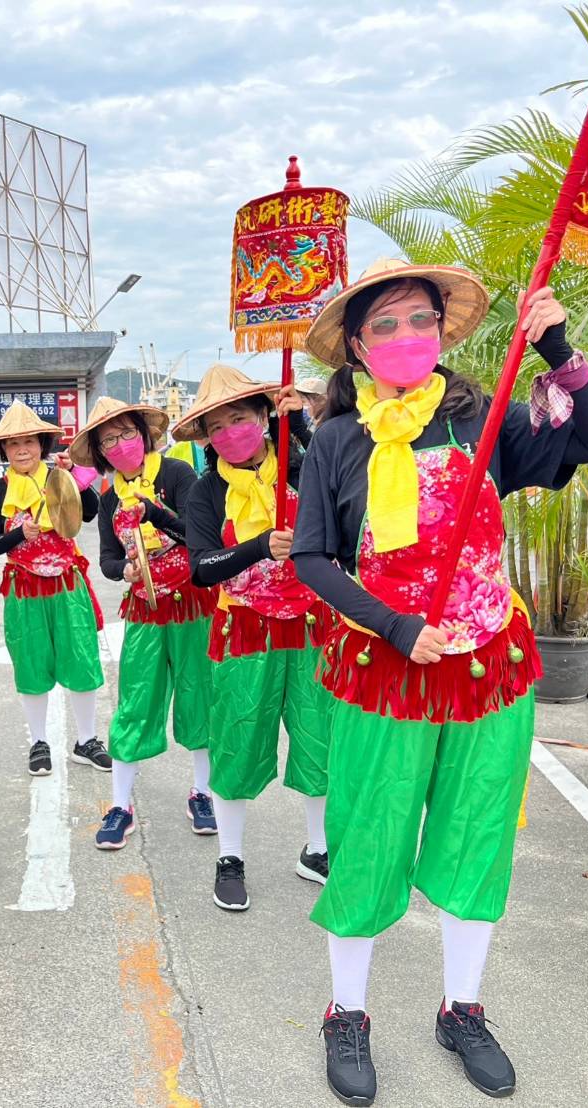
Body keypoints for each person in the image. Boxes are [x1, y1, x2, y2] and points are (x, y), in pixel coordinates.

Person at [291, 259, 588, 1105]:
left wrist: (552, 345)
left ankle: (461, 1008)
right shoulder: (336, 440)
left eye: (420, 319)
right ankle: (347, 1013)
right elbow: (311, 560)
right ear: (358, 350)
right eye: (386, 325)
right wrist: (400, 627)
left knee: (478, 835)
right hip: (386, 669)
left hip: (488, 668)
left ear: (443, 331)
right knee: (369, 837)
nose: (407, 336)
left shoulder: (482, 418)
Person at [177, 364, 334, 913]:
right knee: (238, 741)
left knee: (320, 738)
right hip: (244, 629)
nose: (229, 434)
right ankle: (231, 856)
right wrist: (258, 546)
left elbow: (337, 487)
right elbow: (201, 568)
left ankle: (317, 850)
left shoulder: (299, 465)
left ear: (265, 417)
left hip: (313, 624)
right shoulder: (205, 493)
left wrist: (306, 429)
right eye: (216, 427)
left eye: (239, 418)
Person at [71, 397, 218, 849]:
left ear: (145, 434)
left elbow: (197, 536)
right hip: (146, 611)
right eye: (108, 440)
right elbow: (108, 561)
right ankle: (120, 805)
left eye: (127, 434)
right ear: (99, 452)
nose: (120, 445)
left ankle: (203, 793)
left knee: (201, 697)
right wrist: (127, 572)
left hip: (194, 605)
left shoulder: (176, 474)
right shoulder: (109, 494)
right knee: (135, 701)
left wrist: (154, 515)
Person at [0, 401, 107, 776]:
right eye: (13, 444)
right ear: (3, 450)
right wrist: (17, 535)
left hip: (67, 583)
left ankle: (87, 739)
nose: (22, 450)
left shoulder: (56, 479)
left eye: (29, 442)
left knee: (81, 660)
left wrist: (76, 477)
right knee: (31, 664)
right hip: (24, 588)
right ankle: (38, 741)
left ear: (41, 445)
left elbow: (91, 511)